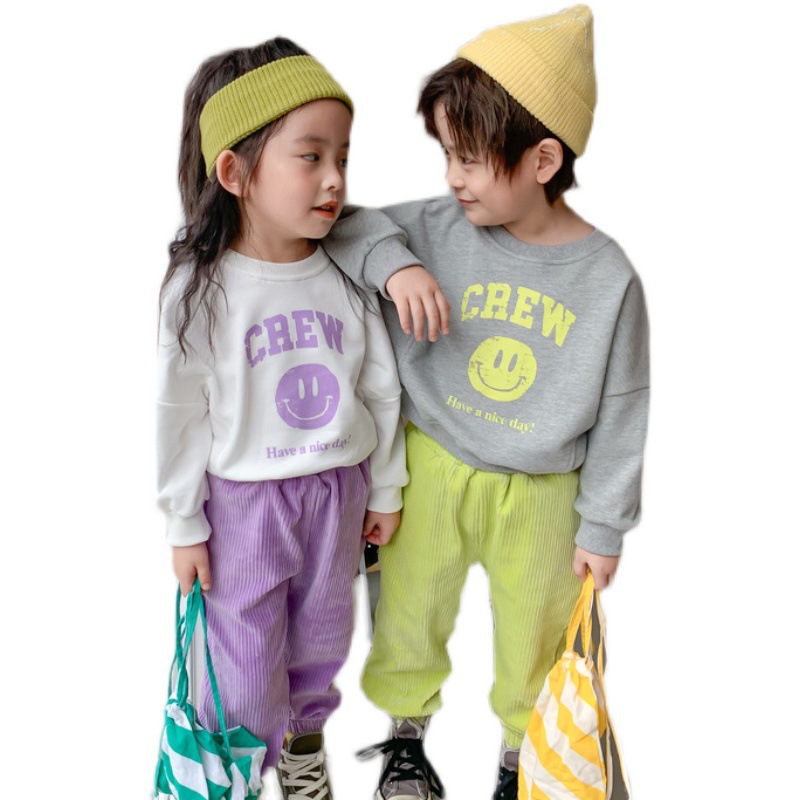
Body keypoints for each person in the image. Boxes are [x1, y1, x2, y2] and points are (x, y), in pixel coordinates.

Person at [324, 6, 649, 799]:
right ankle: (405, 737)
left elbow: (623, 412)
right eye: (446, 154)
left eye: (468, 158)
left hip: (544, 486)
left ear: (542, 159)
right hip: (433, 459)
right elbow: (339, 229)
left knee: (539, 635)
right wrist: (396, 266)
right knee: (408, 611)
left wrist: (604, 524)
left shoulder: (609, 279)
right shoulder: (429, 228)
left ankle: (520, 758)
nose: (452, 177)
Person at [156, 37, 407, 800]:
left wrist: (386, 488)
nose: (335, 180)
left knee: (321, 641)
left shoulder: (346, 273)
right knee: (242, 658)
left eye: (343, 157)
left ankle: (301, 749)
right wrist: (184, 522)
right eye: (310, 157)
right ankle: (233, 769)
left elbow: (380, 387)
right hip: (245, 506)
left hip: (338, 493)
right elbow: (179, 414)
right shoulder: (202, 289)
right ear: (235, 173)